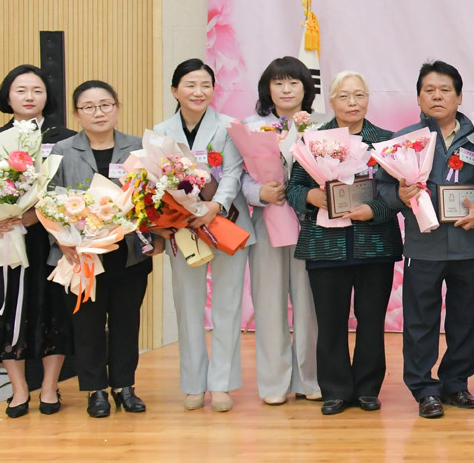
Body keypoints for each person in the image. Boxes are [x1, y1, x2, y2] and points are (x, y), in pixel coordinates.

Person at [381, 60, 474, 419]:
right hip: (423, 246)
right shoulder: (406, 140)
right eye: (429, 90)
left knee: (466, 319)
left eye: (445, 90)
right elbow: (382, 189)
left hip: (468, 246)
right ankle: (424, 389)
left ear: (459, 96)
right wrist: (399, 196)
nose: (437, 96)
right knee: (421, 322)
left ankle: (456, 384)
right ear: (418, 97)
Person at [288, 71, 400, 416]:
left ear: (368, 100)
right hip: (326, 245)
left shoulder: (385, 141)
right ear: (331, 101)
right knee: (330, 322)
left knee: (371, 320)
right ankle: (335, 390)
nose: (353, 102)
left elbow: (399, 192)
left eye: (359, 95)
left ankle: (367, 389)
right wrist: (311, 197)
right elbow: (293, 188)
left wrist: (375, 209)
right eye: (344, 96)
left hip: (374, 244)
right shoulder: (313, 140)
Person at [0, 65, 75, 417]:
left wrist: (40, 214)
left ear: (47, 97)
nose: (29, 97)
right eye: (21, 90)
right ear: (8, 96)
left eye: (37, 90)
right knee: (7, 309)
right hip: (6, 239)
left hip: (51, 241)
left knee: (54, 309)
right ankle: (18, 390)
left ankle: (49, 387)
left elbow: (75, 189)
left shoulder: (66, 140)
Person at [153, 58, 246, 413]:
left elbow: (234, 173)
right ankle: (193, 384)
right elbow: (157, 180)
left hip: (226, 224)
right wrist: (178, 213)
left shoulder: (228, 126)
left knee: (227, 306)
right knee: (188, 307)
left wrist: (215, 206)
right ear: (175, 90)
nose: (198, 91)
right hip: (182, 229)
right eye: (190, 85)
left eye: (205, 85)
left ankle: (221, 384)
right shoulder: (160, 131)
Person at [51, 81, 149, 419]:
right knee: (87, 325)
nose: (98, 113)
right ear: (77, 114)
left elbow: (151, 197)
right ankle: (95, 390)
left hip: (128, 252)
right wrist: (61, 239)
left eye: (105, 105)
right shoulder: (62, 150)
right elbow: (47, 201)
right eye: (89, 107)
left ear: (117, 108)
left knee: (126, 322)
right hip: (81, 255)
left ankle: (125, 386)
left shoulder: (138, 147)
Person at [236, 56, 321, 406]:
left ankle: (309, 378)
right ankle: (273, 383)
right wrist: (260, 192)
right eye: (278, 82)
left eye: (293, 82)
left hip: (311, 223)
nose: (286, 89)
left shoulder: (320, 126)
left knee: (309, 303)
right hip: (267, 218)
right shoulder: (251, 127)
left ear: (306, 88)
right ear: (267, 89)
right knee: (269, 301)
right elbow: (239, 175)